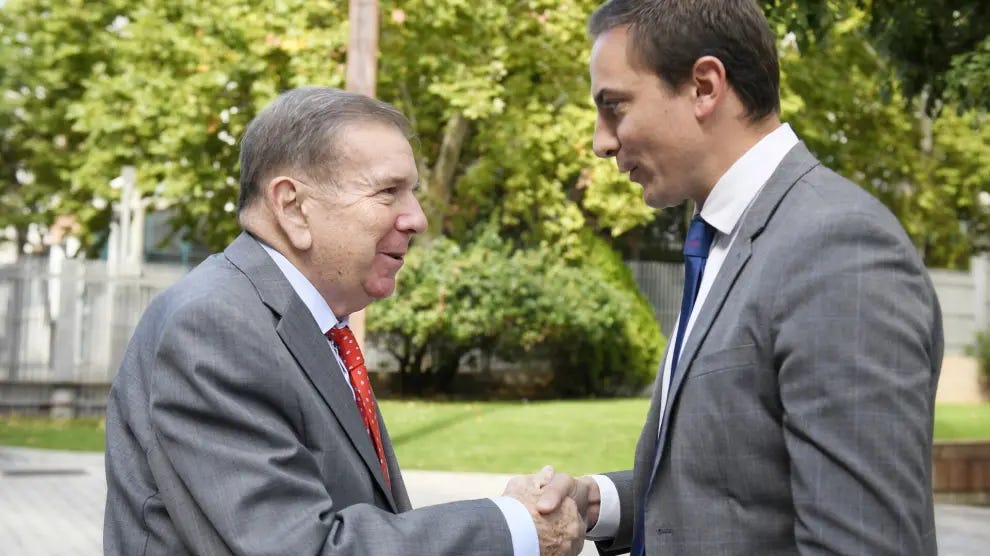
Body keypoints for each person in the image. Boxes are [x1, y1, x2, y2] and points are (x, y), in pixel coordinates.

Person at [103, 86, 586, 556]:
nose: (416, 218)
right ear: (292, 205)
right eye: (388, 192)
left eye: (412, 192)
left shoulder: (303, 321)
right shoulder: (214, 327)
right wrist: (514, 527)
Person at [540, 1, 945, 554]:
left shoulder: (838, 250)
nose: (601, 141)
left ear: (705, 86)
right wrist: (599, 503)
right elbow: (738, 486)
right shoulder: (721, 238)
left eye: (614, 107)